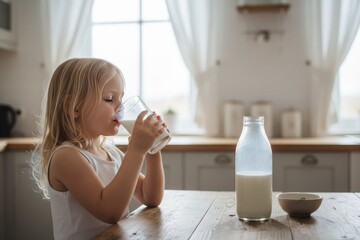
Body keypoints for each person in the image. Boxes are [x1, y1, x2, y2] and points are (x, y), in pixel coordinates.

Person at [30, 58, 166, 240]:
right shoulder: (66, 157)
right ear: (74, 107)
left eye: (121, 98)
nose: (120, 108)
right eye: (110, 99)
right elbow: (109, 211)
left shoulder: (111, 153)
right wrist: (136, 151)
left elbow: (151, 197)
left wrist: (152, 149)